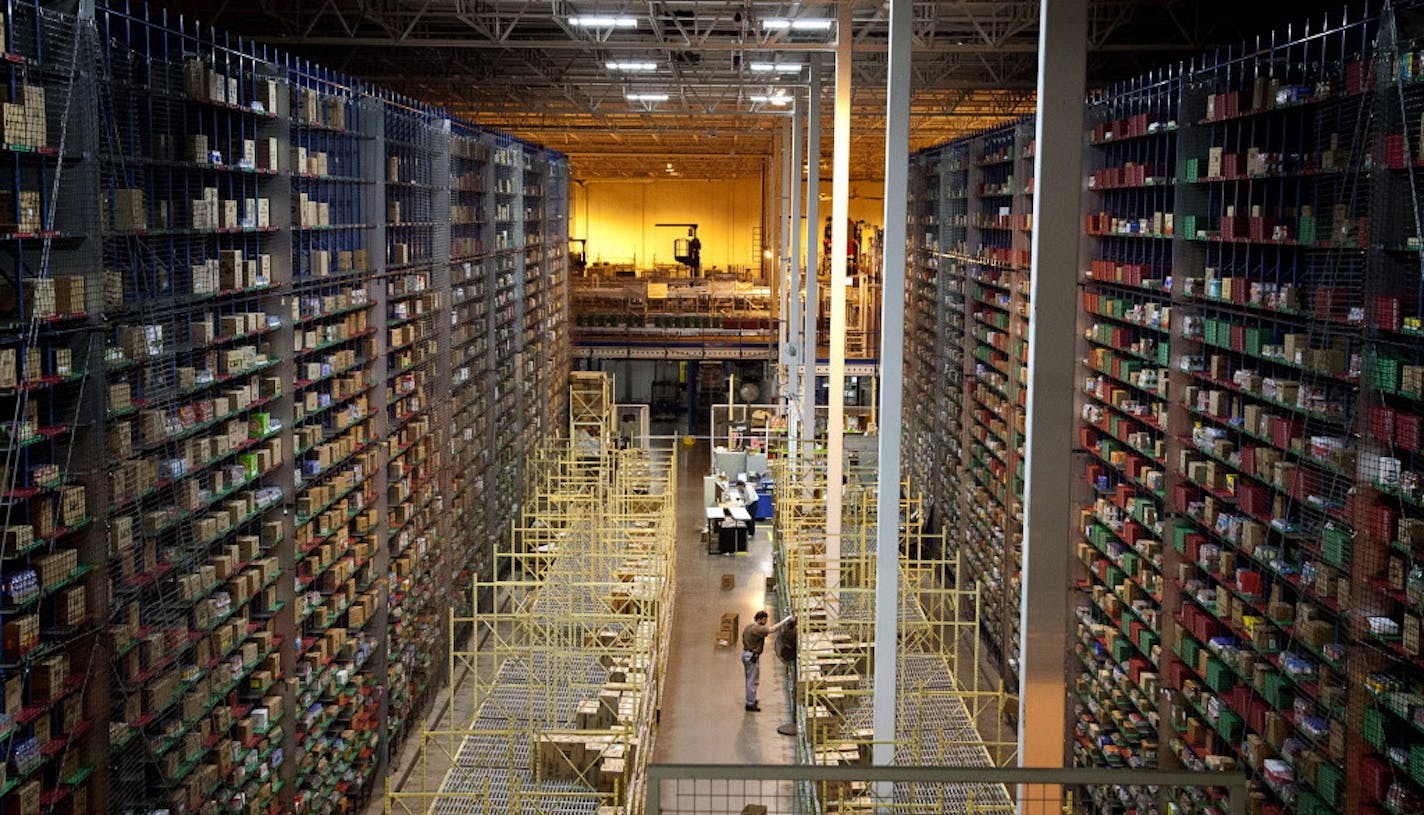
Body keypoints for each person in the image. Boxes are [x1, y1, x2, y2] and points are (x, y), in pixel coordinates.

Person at [740, 610, 793, 711]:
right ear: (760, 620)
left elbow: (743, 638)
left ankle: (751, 699)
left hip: (747, 654)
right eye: (765, 620)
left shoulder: (748, 627)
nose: (765, 622)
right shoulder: (757, 629)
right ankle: (750, 704)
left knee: (749, 679)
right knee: (752, 680)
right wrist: (785, 620)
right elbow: (771, 629)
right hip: (752, 656)